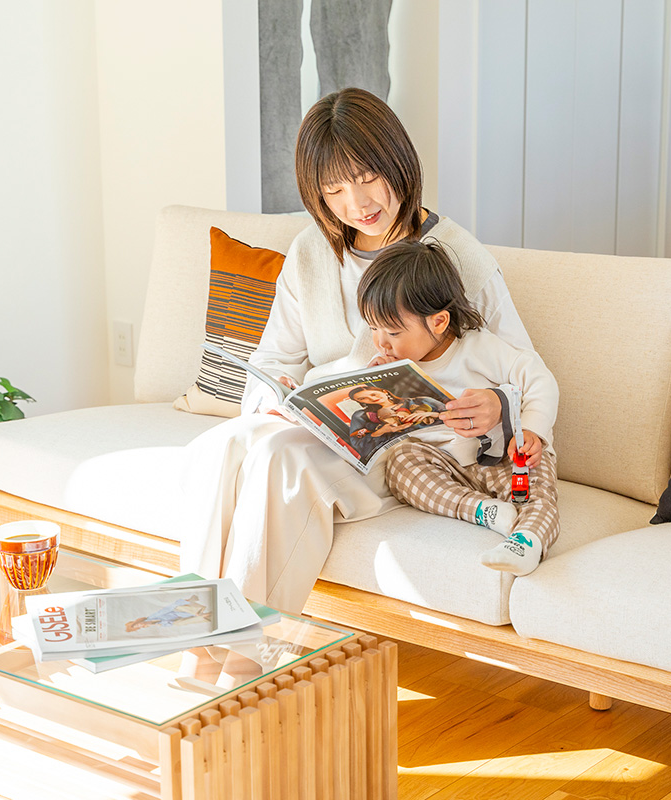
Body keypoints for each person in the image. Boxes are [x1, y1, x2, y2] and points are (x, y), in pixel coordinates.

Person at [178, 87, 538, 610]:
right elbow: (271, 361)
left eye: (368, 177)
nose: (358, 203)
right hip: (328, 431)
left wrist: (497, 405)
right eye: (334, 190)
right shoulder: (310, 252)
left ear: (398, 162)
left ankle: (242, 648)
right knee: (222, 446)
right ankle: (195, 625)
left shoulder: (457, 255)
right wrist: (276, 403)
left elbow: (524, 373)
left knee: (280, 459)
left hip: (421, 450)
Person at [359, 239, 560, 576]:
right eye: (373, 328)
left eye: (392, 332)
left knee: (538, 493)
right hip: (448, 465)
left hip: (507, 456)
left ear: (438, 322)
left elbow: (540, 379)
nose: (380, 342)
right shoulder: (394, 364)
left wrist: (533, 430)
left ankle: (526, 542)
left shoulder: (480, 348)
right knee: (401, 462)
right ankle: (484, 511)